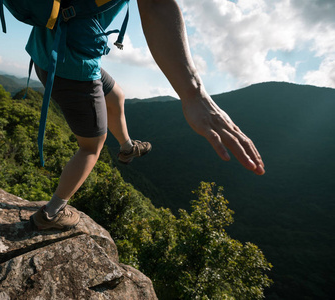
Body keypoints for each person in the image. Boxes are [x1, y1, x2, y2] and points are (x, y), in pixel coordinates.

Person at [30, 0, 265, 230]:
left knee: (116, 96)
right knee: (91, 147)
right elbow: (156, 5)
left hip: (49, 47)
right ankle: (52, 213)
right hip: (71, 66)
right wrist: (193, 93)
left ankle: (127, 147)